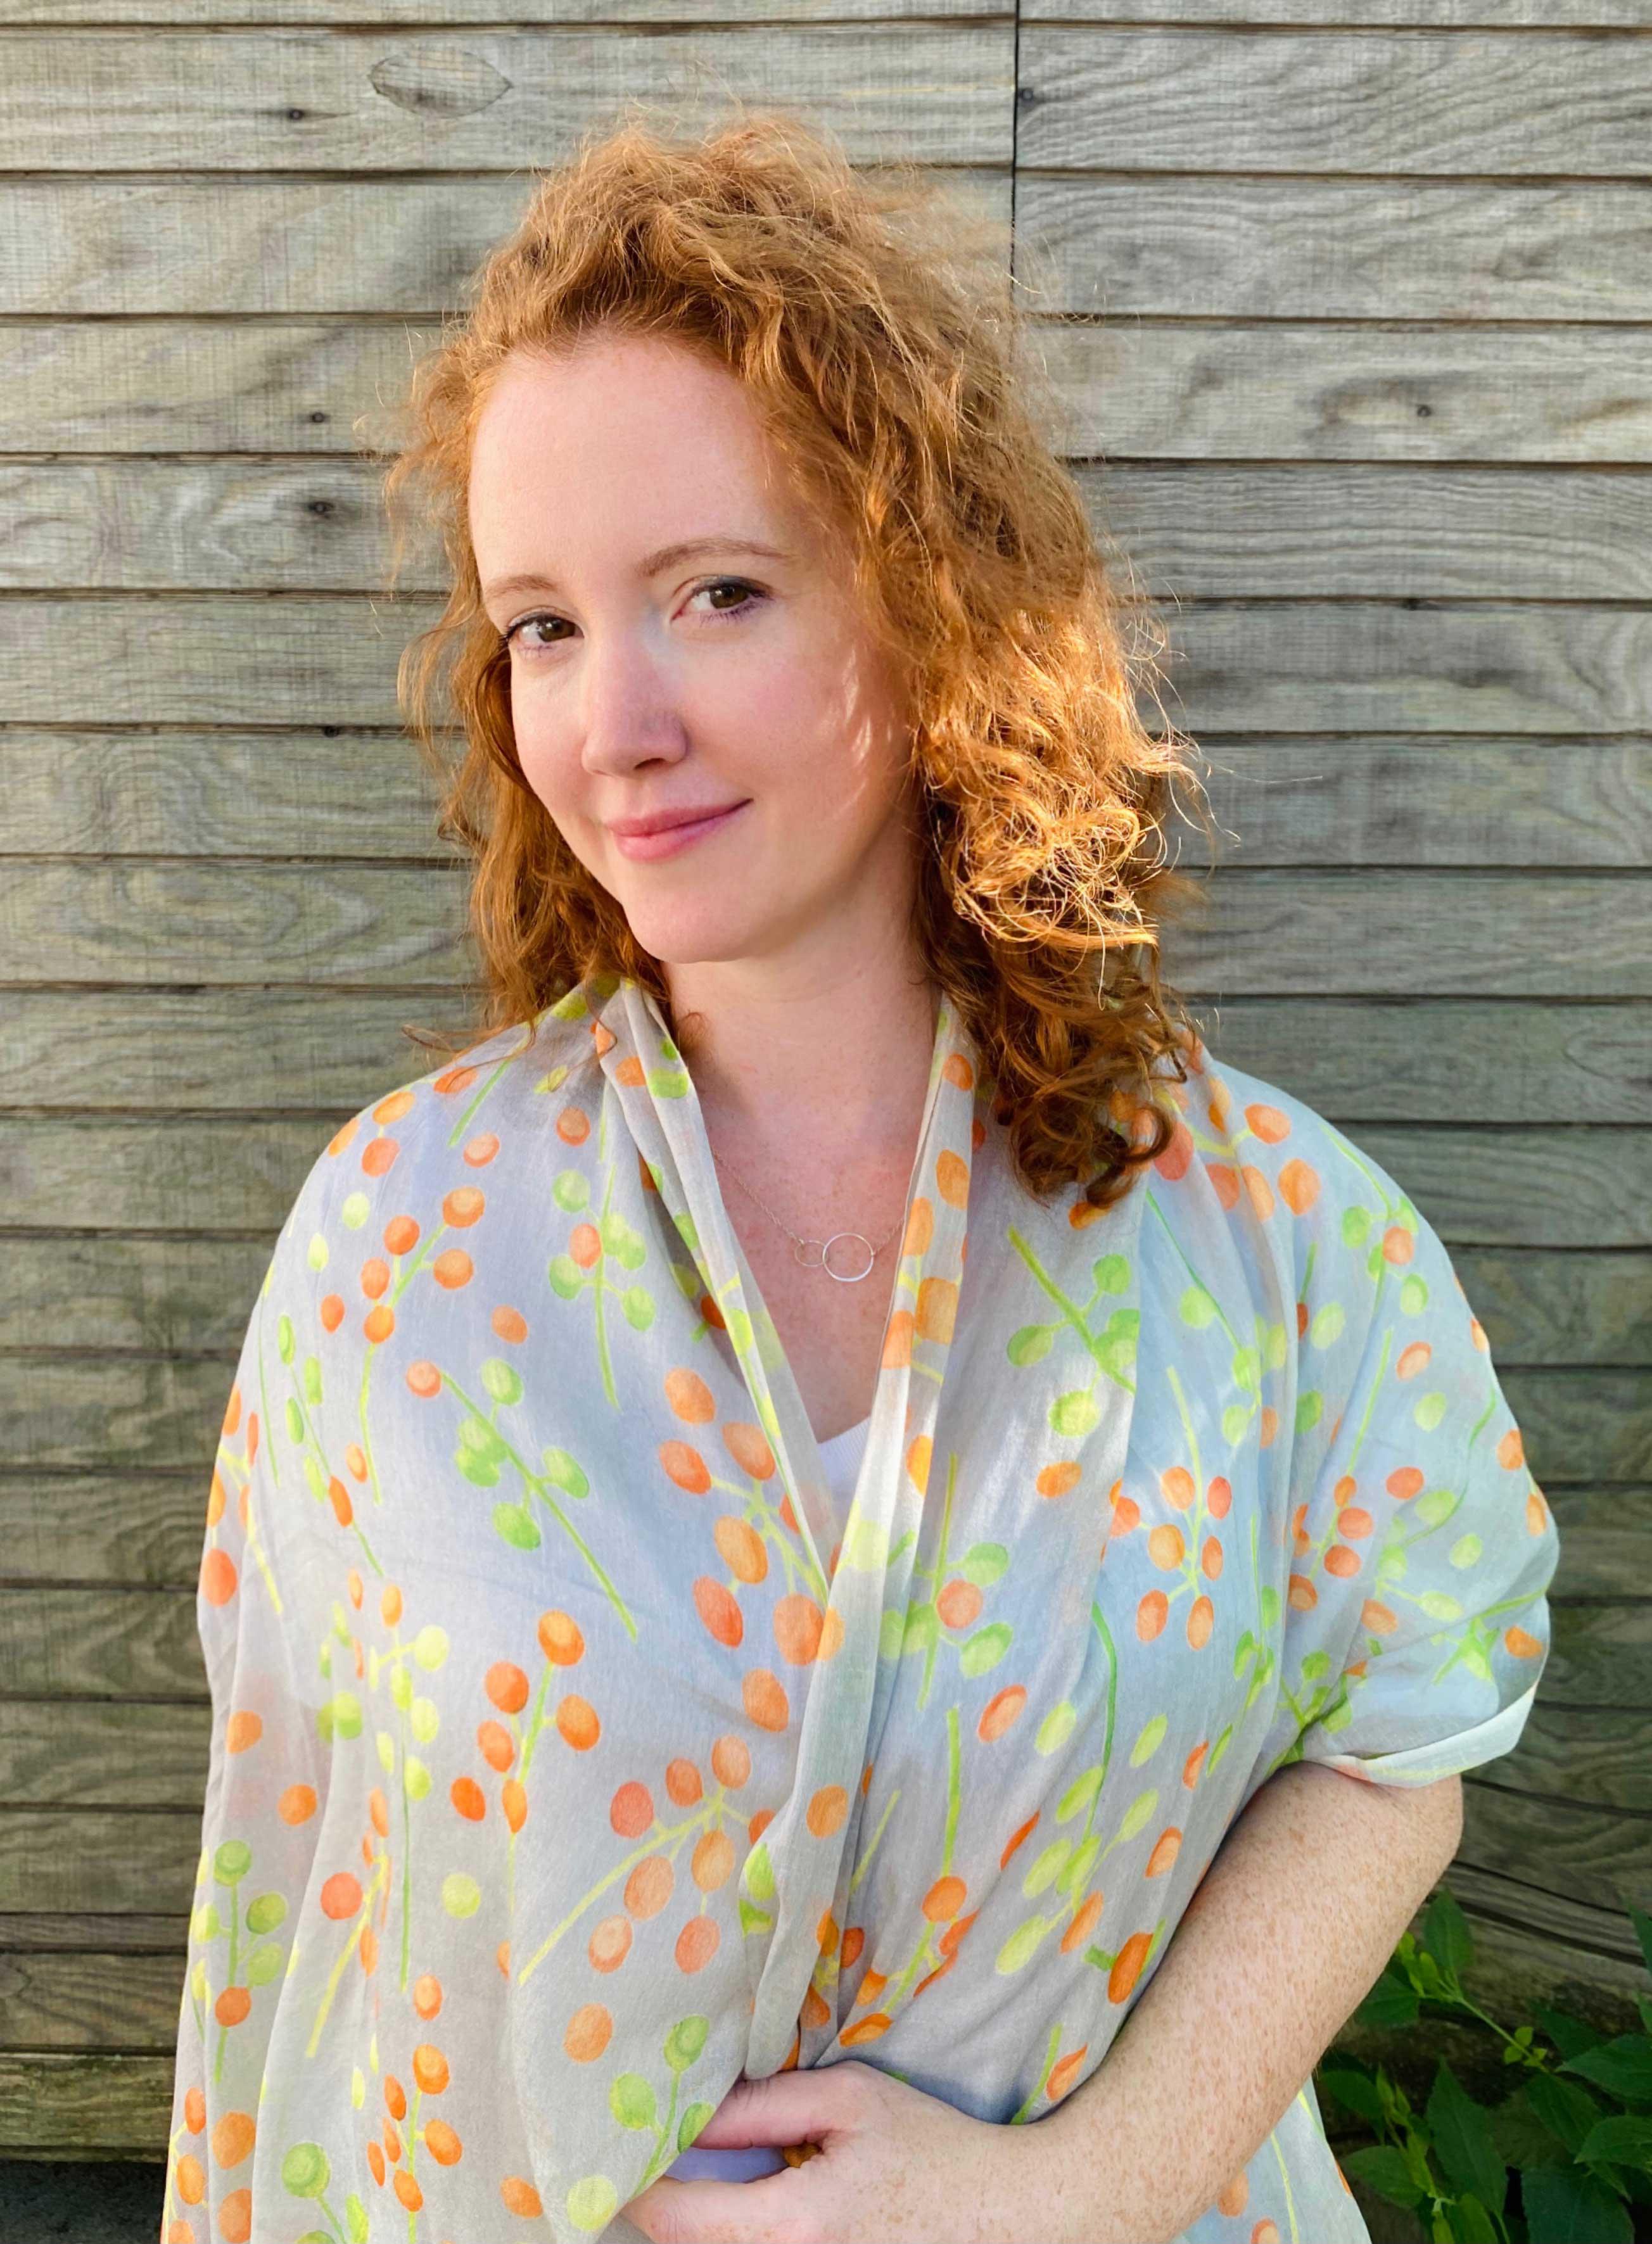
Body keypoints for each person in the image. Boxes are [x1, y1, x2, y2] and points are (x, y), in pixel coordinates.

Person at [158, 107, 1559, 2244]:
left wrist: (1095, 2182)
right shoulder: (400, 1245)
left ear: (928, 620)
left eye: (713, 592)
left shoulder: (1272, 1236)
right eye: (539, 624)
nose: (611, 722)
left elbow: (1401, 1744)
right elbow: (302, 1887)